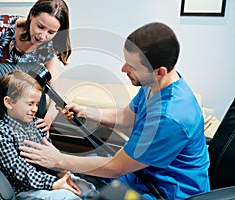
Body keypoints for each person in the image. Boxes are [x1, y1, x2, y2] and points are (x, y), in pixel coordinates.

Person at [18, 22, 210, 200]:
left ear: (159, 71)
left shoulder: (170, 117)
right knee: (82, 169)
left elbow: (116, 167)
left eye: (132, 66)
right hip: (139, 175)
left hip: (164, 192)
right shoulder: (155, 84)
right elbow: (127, 117)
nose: (123, 69)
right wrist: (86, 111)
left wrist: (58, 159)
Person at [0, 70, 98, 200]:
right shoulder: (1, 133)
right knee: (67, 197)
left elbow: (50, 155)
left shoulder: (37, 124)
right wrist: (52, 183)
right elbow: (19, 171)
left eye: (36, 104)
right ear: (9, 102)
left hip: (50, 178)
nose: (35, 109)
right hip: (27, 189)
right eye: (30, 104)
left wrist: (62, 172)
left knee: (88, 189)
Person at [0, 0, 71, 125]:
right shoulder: (0, 27)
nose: (42, 36)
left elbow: (56, 93)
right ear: (31, 15)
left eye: (51, 32)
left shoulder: (49, 48)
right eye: (40, 27)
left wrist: (48, 120)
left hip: (16, 114)